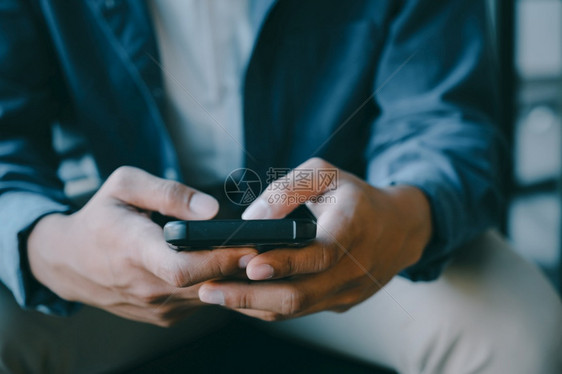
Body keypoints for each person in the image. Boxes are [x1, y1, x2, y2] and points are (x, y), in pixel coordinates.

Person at [0, 0, 560, 373]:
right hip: (125, 241)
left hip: (343, 224)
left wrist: (403, 214)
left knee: (518, 335)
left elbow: (441, 120)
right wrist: (49, 250)